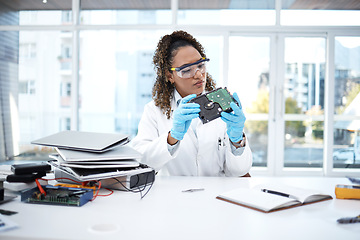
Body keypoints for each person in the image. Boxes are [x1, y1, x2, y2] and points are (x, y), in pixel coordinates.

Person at [131, 30, 252, 176]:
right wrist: (172, 138)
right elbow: (142, 162)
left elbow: (239, 172)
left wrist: (237, 141)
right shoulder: (154, 111)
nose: (199, 75)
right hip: (174, 196)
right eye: (187, 70)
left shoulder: (222, 105)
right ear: (170, 75)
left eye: (200, 66)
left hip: (215, 195)